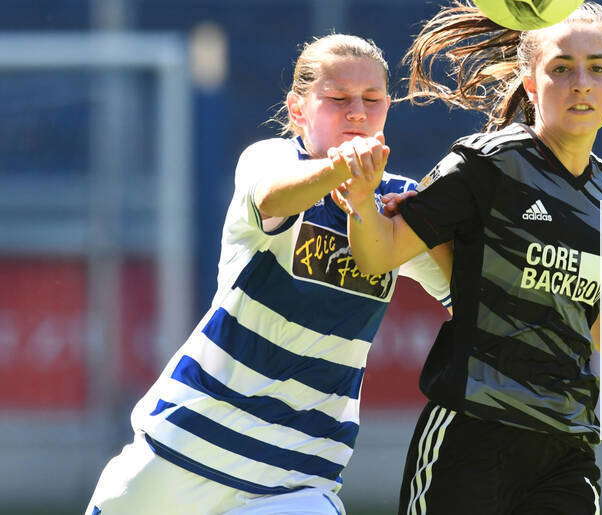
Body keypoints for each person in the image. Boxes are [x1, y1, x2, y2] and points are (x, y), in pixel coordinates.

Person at [335, 0, 602, 514]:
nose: (581, 83)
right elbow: (378, 255)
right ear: (529, 81)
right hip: (473, 434)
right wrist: (362, 203)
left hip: (567, 447)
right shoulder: (489, 164)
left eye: (597, 69)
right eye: (561, 69)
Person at [85, 33, 450, 515]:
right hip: (185, 449)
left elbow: (467, 293)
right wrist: (341, 170)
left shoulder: (397, 201)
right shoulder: (271, 160)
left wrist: (436, 232)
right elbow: (272, 197)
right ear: (298, 110)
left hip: (298, 476)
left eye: (373, 99)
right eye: (338, 99)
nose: (358, 112)